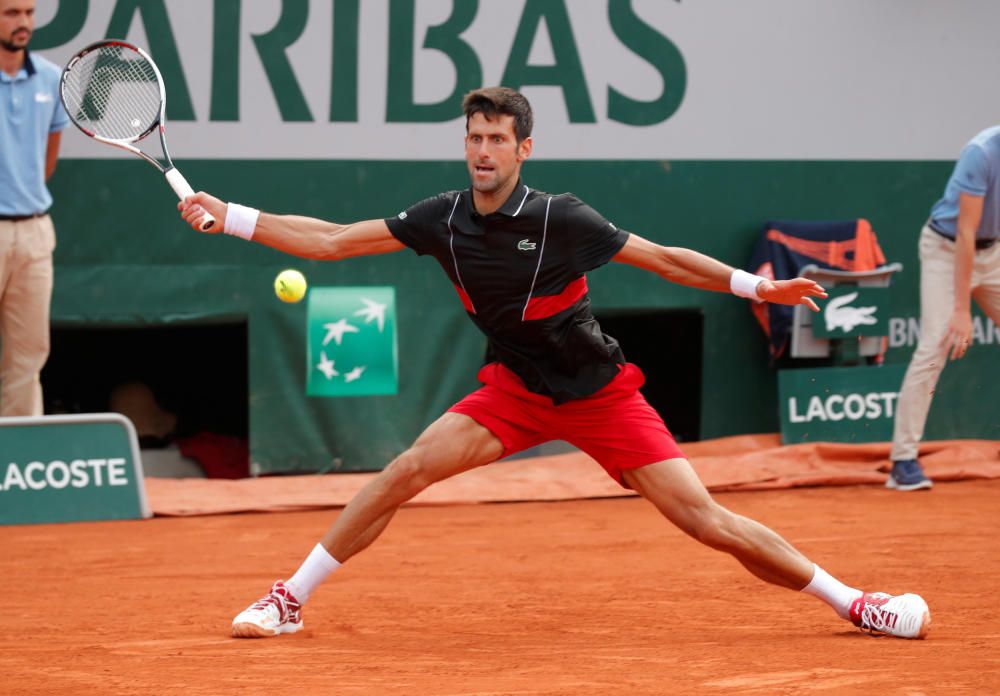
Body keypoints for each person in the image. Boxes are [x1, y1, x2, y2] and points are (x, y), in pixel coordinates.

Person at [179, 87, 931, 641]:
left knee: (707, 521)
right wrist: (233, 219)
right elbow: (332, 240)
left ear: (522, 149)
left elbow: (663, 259)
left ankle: (856, 602)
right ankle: (289, 599)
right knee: (405, 471)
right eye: (473, 137)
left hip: (600, 392)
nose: (481, 151)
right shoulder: (441, 218)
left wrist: (758, 284)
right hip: (512, 389)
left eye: (497, 139)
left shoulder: (560, 218)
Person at [888, 126, 1000, 491]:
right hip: (946, 249)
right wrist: (961, 309)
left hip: (994, 251)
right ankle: (903, 461)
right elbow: (966, 232)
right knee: (935, 344)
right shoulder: (981, 153)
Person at [0, 0, 67, 417]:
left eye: (29, 12)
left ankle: (14, 469)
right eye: (11, 13)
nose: (23, 22)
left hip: (35, 235)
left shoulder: (50, 79)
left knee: (28, 361)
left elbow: (46, 161)